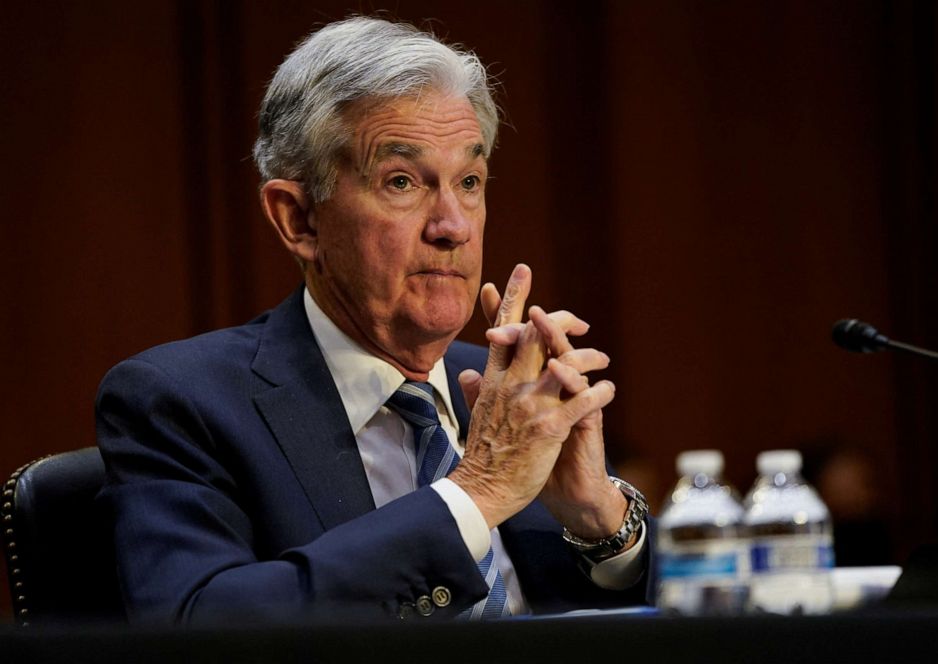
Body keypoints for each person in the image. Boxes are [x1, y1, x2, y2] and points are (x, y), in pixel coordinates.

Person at [96, 16, 650, 625]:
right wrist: (475, 493)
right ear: (298, 219)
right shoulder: (183, 403)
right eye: (402, 181)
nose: (452, 227)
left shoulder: (511, 396)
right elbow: (196, 623)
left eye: (469, 181)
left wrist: (601, 525)